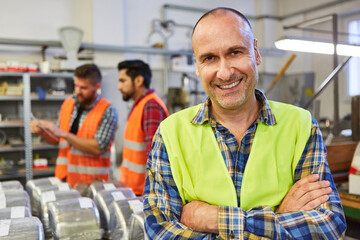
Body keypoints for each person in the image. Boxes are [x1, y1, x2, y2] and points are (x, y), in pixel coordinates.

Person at [143, 7, 346, 239]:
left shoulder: (300, 125)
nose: (225, 72)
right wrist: (280, 215)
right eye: (209, 58)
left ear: (256, 53)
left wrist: (215, 218)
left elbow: (328, 226)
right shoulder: (170, 133)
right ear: (198, 67)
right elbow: (160, 232)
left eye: (235, 52)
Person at [30, 64, 118, 187]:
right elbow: (57, 140)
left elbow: (98, 148)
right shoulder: (68, 104)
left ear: (97, 87)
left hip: (91, 184)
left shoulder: (107, 110)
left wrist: (64, 134)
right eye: (76, 86)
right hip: (64, 179)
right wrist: (43, 132)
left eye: (83, 88)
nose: (78, 91)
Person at [117, 60, 169, 195]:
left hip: (144, 193)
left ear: (139, 80)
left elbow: (155, 157)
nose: (119, 87)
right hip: (133, 190)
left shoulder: (151, 106)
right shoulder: (139, 105)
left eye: (123, 81)